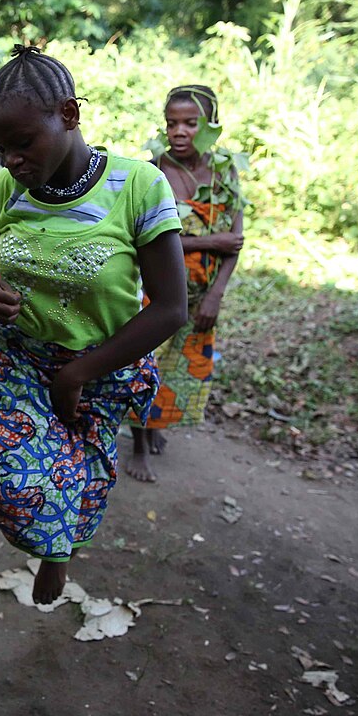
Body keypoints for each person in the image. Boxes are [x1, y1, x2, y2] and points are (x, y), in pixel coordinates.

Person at [0, 47, 188, 605]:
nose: (12, 160)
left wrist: (78, 375)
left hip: (104, 361)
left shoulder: (138, 186)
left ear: (68, 115)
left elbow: (170, 307)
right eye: (0, 148)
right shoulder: (3, 188)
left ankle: (54, 551)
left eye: (23, 144)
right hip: (20, 355)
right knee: (15, 476)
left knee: (79, 469)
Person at [127, 85, 244, 482]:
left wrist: (215, 296)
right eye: (172, 123)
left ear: (210, 126)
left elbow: (236, 241)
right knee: (146, 365)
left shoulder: (225, 172)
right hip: (154, 292)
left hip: (200, 295)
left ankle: (157, 425)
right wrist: (212, 240)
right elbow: (151, 238)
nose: (179, 131)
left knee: (178, 366)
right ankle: (138, 445)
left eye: (190, 124)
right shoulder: (154, 170)